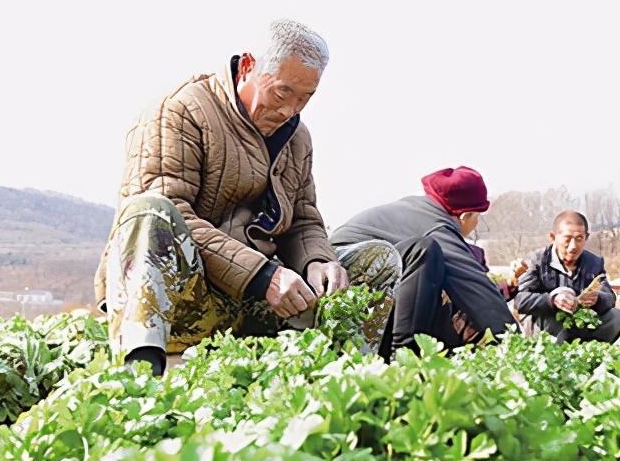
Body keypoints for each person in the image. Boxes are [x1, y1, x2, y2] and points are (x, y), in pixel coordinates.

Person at [95, 20, 400, 376]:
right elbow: (169, 214)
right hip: (193, 297)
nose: (291, 110)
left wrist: (317, 261)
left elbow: (302, 218)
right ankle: (141, 372)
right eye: (282, 93)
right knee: (149, 209)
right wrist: (262, 276)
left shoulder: (297, 138)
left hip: (257, 301)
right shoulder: (180, 111)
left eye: (305, 98)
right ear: (248, 67)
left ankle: (336, 378)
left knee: (379, 258)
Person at [331, 166, 517, 359]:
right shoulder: (437, 226)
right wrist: (516, 346)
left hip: (360, 278)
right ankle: (404, 357)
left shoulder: (417, 209)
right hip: (344, 277)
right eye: (478, 217)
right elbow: (479, 292)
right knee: (423, 251)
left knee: (435, 289)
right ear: (465, 216)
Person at [514, 211, 620, 344]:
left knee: (617, 317)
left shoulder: (594, 262)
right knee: (551, 321)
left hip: (580, 323)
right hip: (547, 323)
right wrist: (553, 300)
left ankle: (588, 353)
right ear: (553, 237)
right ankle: (554, 353)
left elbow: (610, 297)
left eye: (579, 238)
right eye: (567, 239)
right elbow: (520, 300)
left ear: (586, 237)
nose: (573, 246)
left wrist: (597, 299)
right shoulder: (536, 260)